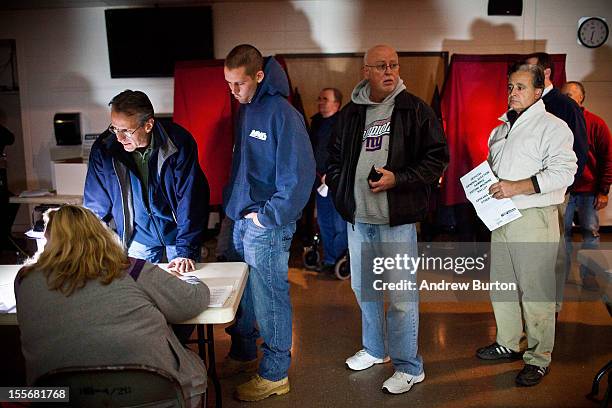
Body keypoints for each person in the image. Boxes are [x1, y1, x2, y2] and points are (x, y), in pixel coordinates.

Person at [327, 44, 449, 395]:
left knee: (400, 295)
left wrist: (400, 177)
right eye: (380, 65)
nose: (389, 71)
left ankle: (410, 366)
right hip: (359, 219)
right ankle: (376, 350)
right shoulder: (351, 113)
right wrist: (341, 191)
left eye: (394, 64)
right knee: (365, 290)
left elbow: (438, 157)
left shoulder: (414, 109)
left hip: (395, 221)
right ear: (366, 71)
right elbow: (333, 158)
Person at [15, 205, 210, 407]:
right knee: (194, 364)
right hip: (150, 394)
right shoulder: (131, 269)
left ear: (47, 239)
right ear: (100, 233)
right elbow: (191, 301)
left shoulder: (25, 280)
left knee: (11, 392)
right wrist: (192, 280)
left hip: (55, 397)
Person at [220, 44, 315, 401]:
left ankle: (275, 373)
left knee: (270, 295)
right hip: (241, 218)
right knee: (244, 295)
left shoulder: (282, 114)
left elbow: (299, 176)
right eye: (228, 84)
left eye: (239, 84)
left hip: (265, 225)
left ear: (259, 76)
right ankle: (244, 353)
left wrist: (266, 217)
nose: (233, 91)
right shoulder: (247, 110)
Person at [476, 63, 577, 387]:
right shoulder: (501, 129)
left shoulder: (553, 127)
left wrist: (517, 187)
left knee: (536, 293)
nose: (513, 93)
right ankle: (508, 342)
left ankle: (538, 358)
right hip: (501, 218)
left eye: (520, 87)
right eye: (510, 87)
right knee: (502, 286)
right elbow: (494, 172)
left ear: (538, 90)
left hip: (533, 218)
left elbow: (565, 173)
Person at [84, 90, 209, 274]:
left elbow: (190, 199)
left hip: (178, 237)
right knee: (138, 297)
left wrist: (186, 249)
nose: (119, 138)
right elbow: (95, 204)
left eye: (126, 130)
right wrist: (91, 246)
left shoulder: (178, 142)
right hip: (137, 239)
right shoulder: (105, 149)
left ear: (148, 125)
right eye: (114, 128)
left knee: (183, 294)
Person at [524, 52, 588, 312]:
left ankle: (551, 306)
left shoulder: (564, 106)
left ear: (547, 73)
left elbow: (579, 152)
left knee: (553, 252)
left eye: (530, 69)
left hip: (554, 193)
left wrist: (562, 189)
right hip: (526, 192)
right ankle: (532, 305)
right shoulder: (526, 103)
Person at [561, 81, 612, 290]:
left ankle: (589, 276)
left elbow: (608, 158)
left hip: (589, 191)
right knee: (561, 235)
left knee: (590, 234)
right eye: (564, 95)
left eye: (572, 95)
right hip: (563, 191)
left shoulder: (595, 123)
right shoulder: (556, 123)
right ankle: (560, 276)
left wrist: (603, 190)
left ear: (582, 98)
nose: (568, 98)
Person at [310, 87, 348, 273]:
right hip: (319, 181)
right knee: (324, 221)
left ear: (337, 103)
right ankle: (330, 260)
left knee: (340, 223)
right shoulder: (315, 123)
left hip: (337, 181)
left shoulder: (344, 124)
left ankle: (341, 257)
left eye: (325, 99)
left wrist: (332, 173)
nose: (321, 102)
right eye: (319, 98)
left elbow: (346, 154)